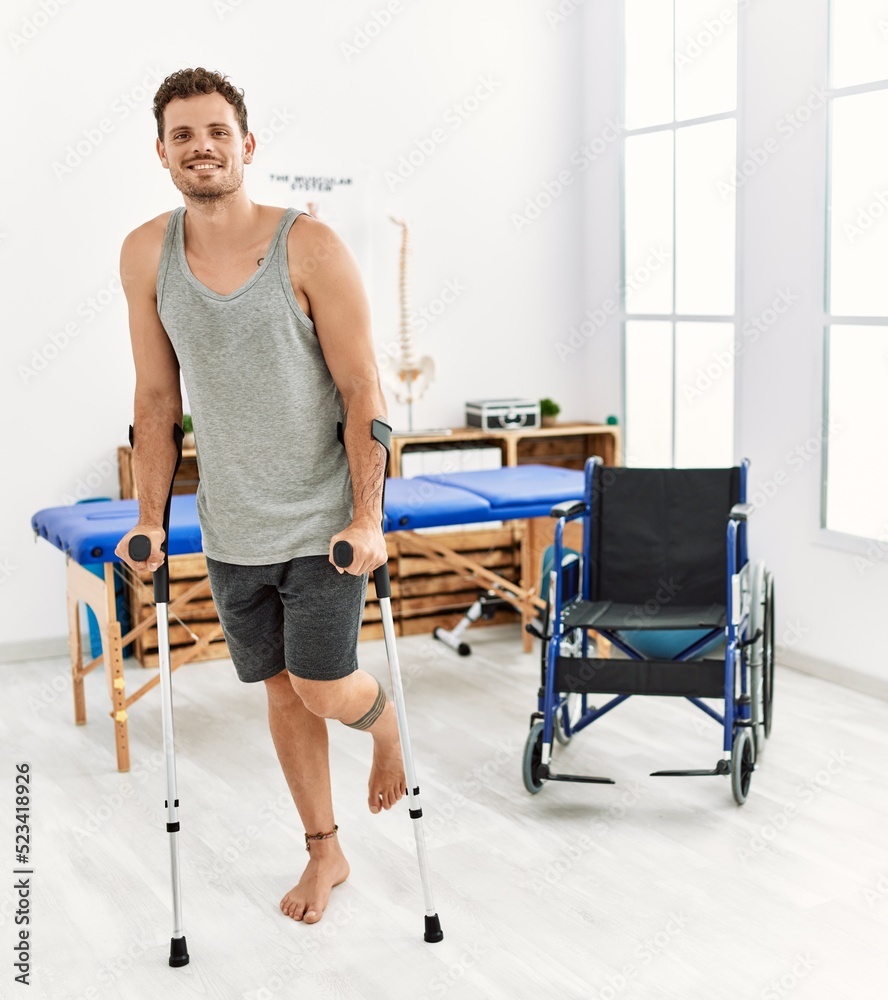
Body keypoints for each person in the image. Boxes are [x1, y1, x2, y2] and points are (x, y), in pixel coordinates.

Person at [114, 67, 405, 926]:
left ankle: (385, 726)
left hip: (323, 522)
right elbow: (156, 400)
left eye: (216, 131)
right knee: (280, 692)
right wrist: (149, 519)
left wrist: (367, 517)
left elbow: (363, 390)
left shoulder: (309, 247)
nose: (200, 146)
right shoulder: (145, 253)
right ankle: (325, 849)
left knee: (322, 686)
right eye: (182, 134)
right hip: (232, 526)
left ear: (247, 143)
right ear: (162, 152)